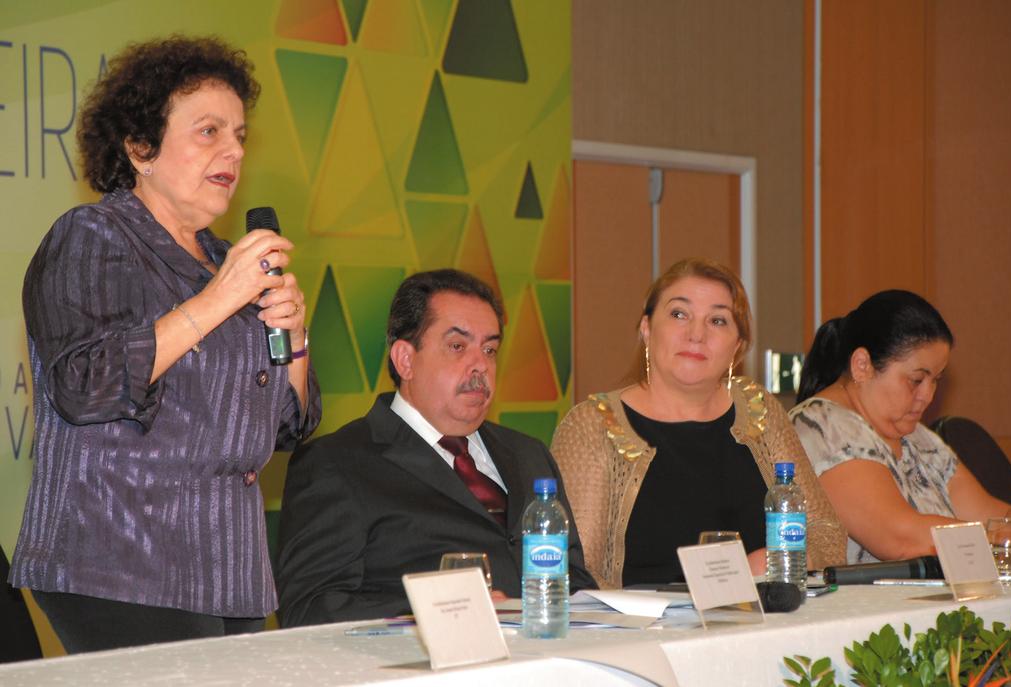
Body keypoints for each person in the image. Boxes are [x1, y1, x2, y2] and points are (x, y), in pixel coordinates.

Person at [9, 36, 321, 652]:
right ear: (140, 148)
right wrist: (217, 301)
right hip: (118, 557)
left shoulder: (225, 263)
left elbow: (290, 426)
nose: (232, 149)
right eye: (209, 131)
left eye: (239, 136)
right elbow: (85, 385)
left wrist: (295, 338)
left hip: (230, 569)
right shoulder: (94, 235)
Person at [275, 269, 595, 626]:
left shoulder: (529, 455)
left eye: (489, 349)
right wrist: (446, 610)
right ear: (405, 360)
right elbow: (309, 610)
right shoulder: (336, 463)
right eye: (458, 346)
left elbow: (575, 583)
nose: (481, 366)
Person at [551, 258, 846, 589]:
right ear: (646, 328)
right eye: (679, 314)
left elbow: (827, 534)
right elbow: (575, 571)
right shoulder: (594, 425)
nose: (696, 334)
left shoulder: (759, 412)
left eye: (718, 321)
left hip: (761, 625)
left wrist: (777, 559)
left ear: (737, 347)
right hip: (645, 633)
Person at [790, 289, 1011, 564]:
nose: (928, 395)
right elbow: (900, 538)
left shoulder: (917, 437)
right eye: (916, 380)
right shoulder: (822, 427)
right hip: (870, 607)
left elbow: (995, 516)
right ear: (862, 365)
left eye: (936, 380)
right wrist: (997, 537)